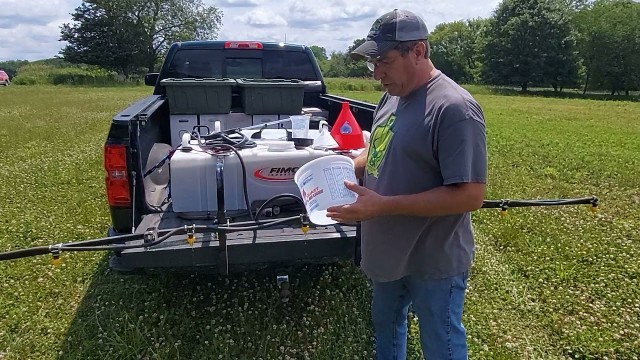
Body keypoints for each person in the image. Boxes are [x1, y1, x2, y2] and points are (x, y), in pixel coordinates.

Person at [326, 9, 488, 360]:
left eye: (384, 61)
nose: (377, 74)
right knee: (387, 328)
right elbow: (380, 147)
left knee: (440, 344)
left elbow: (471, 195)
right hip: (388, 251)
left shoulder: (454, 109)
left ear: (418, 51)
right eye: (373, 63)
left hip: (432, 258)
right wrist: (342, 167)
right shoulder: (392, 95)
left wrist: (383, 206)